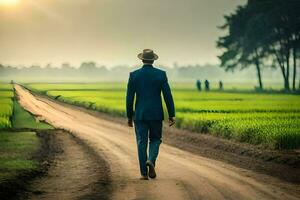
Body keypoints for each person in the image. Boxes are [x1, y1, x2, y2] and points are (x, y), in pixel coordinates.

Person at [126, 49, 175, 180]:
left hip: (140, 115)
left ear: (142, 60)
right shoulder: (161, 75)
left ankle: (143, 173)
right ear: (153, 60)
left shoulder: (134, 75)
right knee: (155, 140)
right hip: (155, 114)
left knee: (141, 142)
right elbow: (167, 96)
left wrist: (129, 116)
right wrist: (171, 114)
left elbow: (129, 98)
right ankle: (151, 160)